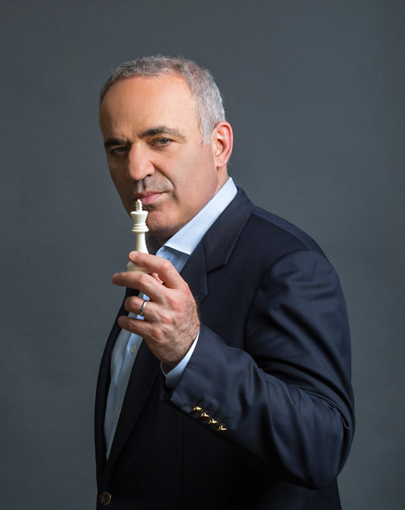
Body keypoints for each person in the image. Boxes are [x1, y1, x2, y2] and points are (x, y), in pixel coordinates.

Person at [94, 55, 354, 509]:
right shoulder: (161, 257)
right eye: (118, 149)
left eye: (160, 140)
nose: (135, 169)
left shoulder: (289, 264)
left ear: (219, 145)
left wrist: (190, 353)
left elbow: (321, 448)